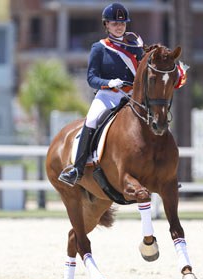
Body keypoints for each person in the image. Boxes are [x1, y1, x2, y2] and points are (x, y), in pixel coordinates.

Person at [59, 2, 144, 186]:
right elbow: (91, 78)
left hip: (131, 96)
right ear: (106, 25)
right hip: (109, 95)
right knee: (91, 120)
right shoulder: (99, 47)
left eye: (122, 23)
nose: (119, 26)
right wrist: (108, 83)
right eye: (115, 23)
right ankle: (77, 169)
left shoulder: (136, 47)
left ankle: (163, 169)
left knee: (156, 119)